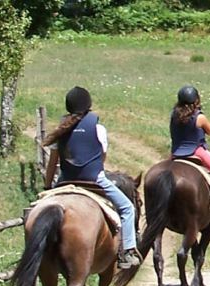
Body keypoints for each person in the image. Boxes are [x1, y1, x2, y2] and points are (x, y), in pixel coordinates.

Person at [43, 86, 142, 269]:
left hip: (65, 179)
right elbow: (101, 157)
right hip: (94, 179)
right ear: (88, 105)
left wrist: (48, 187)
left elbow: (52, 163)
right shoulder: (98, 128)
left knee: (40, 208)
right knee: (128, 208)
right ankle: (127, 251)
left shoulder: (61, 128)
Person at [170, 85, 210, 218]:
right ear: (196, 100)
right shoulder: (199, 117)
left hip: (175, 153)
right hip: (196, 151)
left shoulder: (174, 115)